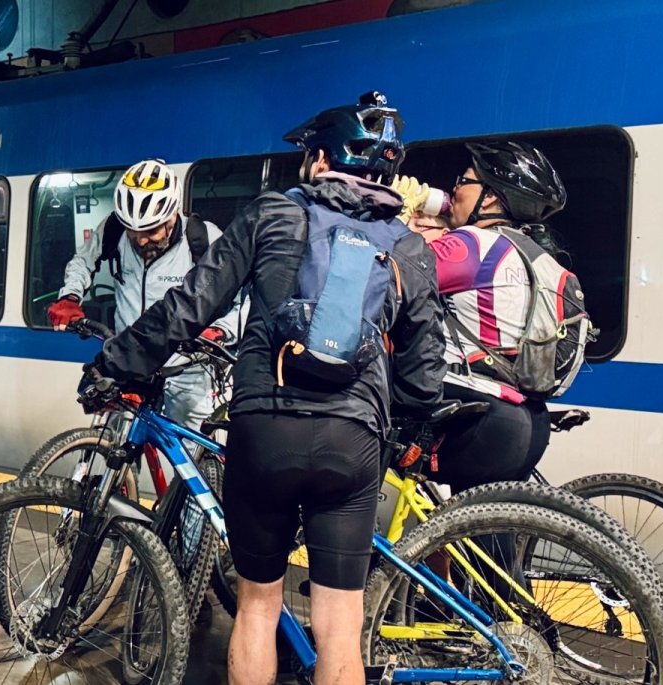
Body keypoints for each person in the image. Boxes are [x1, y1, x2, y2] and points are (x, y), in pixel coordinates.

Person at [84, 93, 445, 685]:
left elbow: (189, 306)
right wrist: (401, 430)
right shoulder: (406, 246)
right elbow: (422, 366)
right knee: (338, 624)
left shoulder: (273, 214)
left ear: (322, 160)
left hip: (265, 430)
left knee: (258, 606)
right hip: (352, 442)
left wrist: (114, 362)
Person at [393, 141, 569, 492]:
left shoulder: (468, 244)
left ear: (489, 197)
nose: (455, 189)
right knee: (484, 543)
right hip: (527, 421)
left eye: (465, 180)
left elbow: (390, 279)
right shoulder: (532, 254)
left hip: (477, 418)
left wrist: (393, 216)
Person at [46, 159, 245, 430]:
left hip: (187, 368)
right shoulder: (113, 230)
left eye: (150, 231)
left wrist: (219, 332)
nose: (140, 240)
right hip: (130, 358)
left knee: (189, 448)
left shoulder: (204, 240)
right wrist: (69, 297)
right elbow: (83, 261)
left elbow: (243, 301)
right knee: (115, 440)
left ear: (172, 214)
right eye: (133, 230)